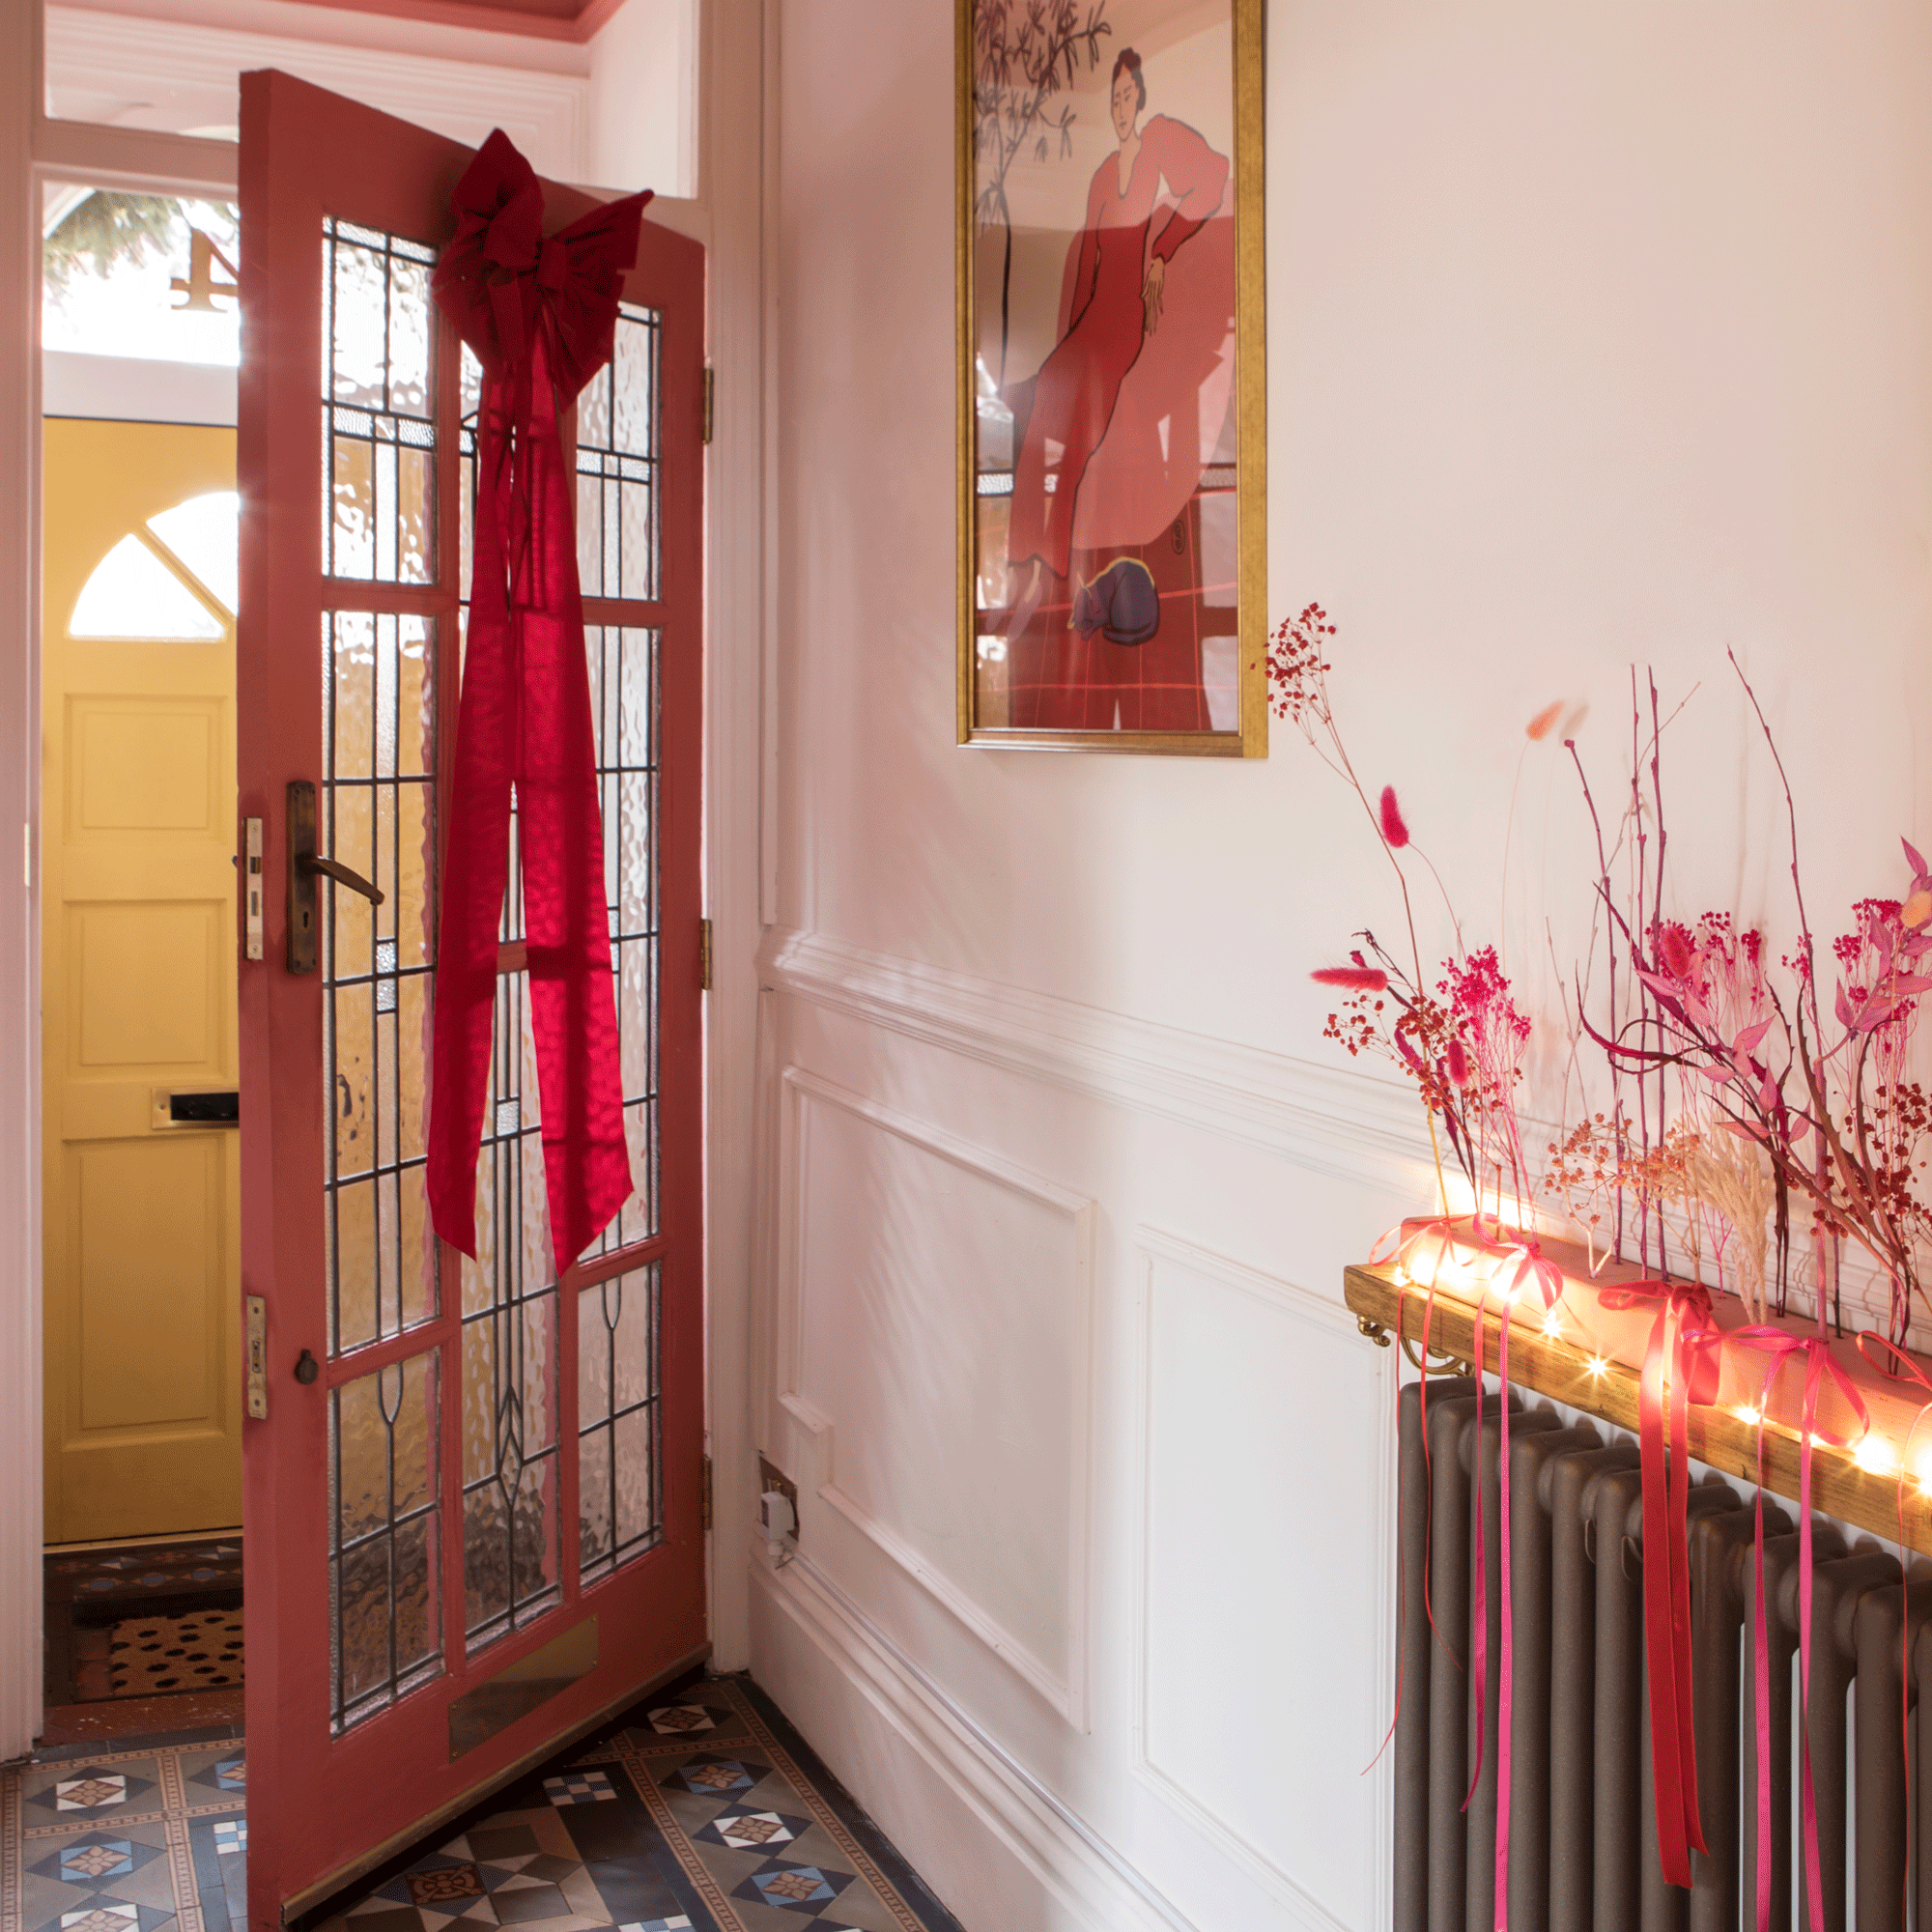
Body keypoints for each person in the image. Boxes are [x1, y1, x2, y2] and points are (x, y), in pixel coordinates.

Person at [1003, 47, 1230, 627]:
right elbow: (1087, 266)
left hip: (1130, 320)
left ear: (1141, 99)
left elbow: (1212, 178)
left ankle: (1055, 557)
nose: (1121, 106)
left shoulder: (1160, 142)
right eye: (1114, 98)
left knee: (1082, 429)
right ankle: (1025, 555)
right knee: (1036, 411)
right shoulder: (1104, 174)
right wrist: (1063, 346)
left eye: (1128, 95)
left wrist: (1163, 249)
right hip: (1093, 321)